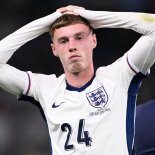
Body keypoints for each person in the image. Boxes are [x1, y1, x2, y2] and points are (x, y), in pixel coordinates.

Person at [0, 5, 155, 155]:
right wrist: (48, 22)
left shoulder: (119, 75)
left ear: (93, 41)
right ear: (54, 49)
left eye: (79, 37)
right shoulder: (45, 89)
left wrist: (93, 17)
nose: (72, 46)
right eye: (63, 41)